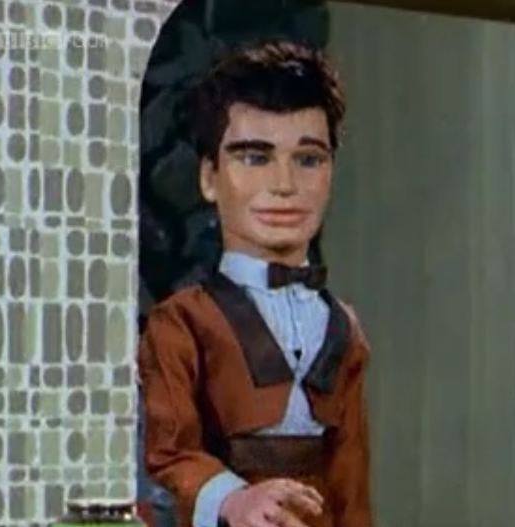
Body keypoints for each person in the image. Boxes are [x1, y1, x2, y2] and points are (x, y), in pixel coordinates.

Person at [138, 41, 372, 527]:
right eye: (254, 158)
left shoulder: (341, 328)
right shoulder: (180, 323)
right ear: (210, 177)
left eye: (308, 160)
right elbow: (168, 453)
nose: (284, 184)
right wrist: (233, 500)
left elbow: (351, 481)